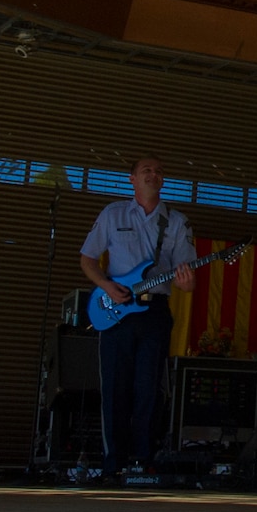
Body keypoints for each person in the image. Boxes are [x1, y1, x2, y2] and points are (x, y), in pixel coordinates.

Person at [79, 156, 196, 474]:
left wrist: (187, 282)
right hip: (117, 308)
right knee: (115, 386)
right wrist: (106, 284)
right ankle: (112, 462)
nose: (154, 174)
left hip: (155, 310)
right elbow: (88, 258)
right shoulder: (112, 213)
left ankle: (143, 460)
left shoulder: (176, 221)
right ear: (132, 178)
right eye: (147, 170)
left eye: (159, 171)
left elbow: (187, 280)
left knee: (149, 387)